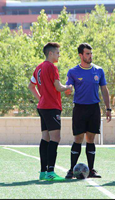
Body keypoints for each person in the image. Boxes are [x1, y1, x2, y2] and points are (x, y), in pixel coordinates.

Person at [65, 43, 112, 179]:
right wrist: (68, 90)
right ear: (81, 55)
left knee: (91, 139)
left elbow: (104, 89)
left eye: (91, 53)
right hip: (79, 108)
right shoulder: (73, 71)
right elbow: (68, 88)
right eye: (87, 54)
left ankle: (91, 170)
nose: (90, 56)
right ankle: (71, 170)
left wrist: (108, 108)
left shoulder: (99, 70)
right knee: (78, 138)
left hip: (94, 109)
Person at [28, 42, 73, 181]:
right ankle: (50, 172)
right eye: (57, 53)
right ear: (51, 53)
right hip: (51, 107)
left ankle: (43, 171)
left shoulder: (39, 67)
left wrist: (40, 98)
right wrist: (69, 87)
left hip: (43, 107)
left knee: (45, 138)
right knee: (55, 138)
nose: (59, 55)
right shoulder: (52, 67)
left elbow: (30, 86)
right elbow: (58, 87)